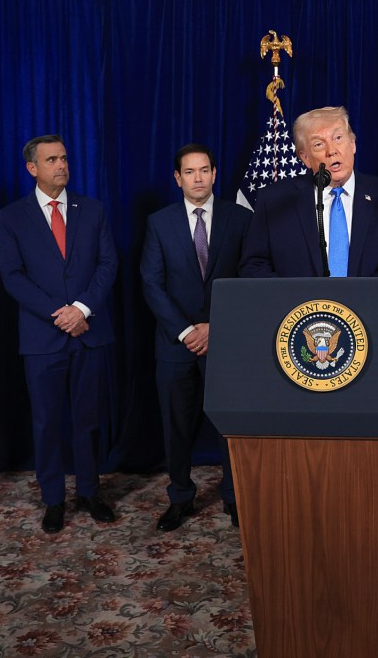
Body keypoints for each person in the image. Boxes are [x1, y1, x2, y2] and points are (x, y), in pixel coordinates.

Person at [0, 135, 119, 534]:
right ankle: (53, 498)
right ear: (32, 168)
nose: (62, 165)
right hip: (42, 337)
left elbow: (107, 264)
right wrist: (60, 315)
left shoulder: (94, 210)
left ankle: (89, 492)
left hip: (88, 332)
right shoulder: (12, 217)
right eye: (52, 160)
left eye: (65, 158)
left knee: (88, 419)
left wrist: (81, 309)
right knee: (46, 421)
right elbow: (12, 276)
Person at [141, 144, 251, 531]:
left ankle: (236, 498)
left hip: (226, 341)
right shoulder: (160, 222)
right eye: (190, 172)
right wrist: (188, 331)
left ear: (215, 173)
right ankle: (181, 497)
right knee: (176, 426)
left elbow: (249, 278)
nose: (198, 178)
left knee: (231, 425)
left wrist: (215, 327)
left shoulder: (240, 219)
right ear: (178, 178)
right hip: (176, 344)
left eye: (204, 170)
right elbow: (151, 284)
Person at [238, 106, 378, 278]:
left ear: (353, 144)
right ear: (305, 157)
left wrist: (366, 296)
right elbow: (254, 265)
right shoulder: (275, 201)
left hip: (370, 307)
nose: (332, 151)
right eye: (318, 144)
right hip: (299, 308)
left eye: (338, 138)